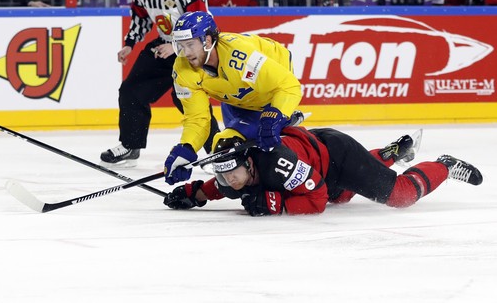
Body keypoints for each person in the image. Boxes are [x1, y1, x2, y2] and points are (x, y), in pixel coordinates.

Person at [100, 0, 220, 167]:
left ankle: (217, 152)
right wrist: (129, 44)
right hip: (163, 47)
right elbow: (141, 17)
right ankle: (130, 145)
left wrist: (176, 47)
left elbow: (204, 20)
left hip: (190, 51)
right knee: (131, 91)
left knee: (189, 101)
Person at [163, 127, 483, 216]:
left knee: (399, 195)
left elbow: (316, 199)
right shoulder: (235, 170)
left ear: (249, 162)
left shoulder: (278, 163)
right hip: (317, 159)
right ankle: (386, 155)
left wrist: (279, 205)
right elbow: (226, 186)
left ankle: (444, 164)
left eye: (231, 171)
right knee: (341, 196)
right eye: (221, 174)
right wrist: (196, 193)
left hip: (337, 156)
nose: (228, 180)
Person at [162, 11, 303, 185]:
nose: (186, 53)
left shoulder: (240, 57)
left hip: (269, 92)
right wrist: (187, 148)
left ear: (207, 41)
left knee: (266, 143)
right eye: (181, 46)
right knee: (225, 148)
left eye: (190, 44)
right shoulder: (183, 68)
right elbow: (197, 118)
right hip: (236, 98)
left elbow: (288, 86)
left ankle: (285, 121)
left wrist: (276, 114)